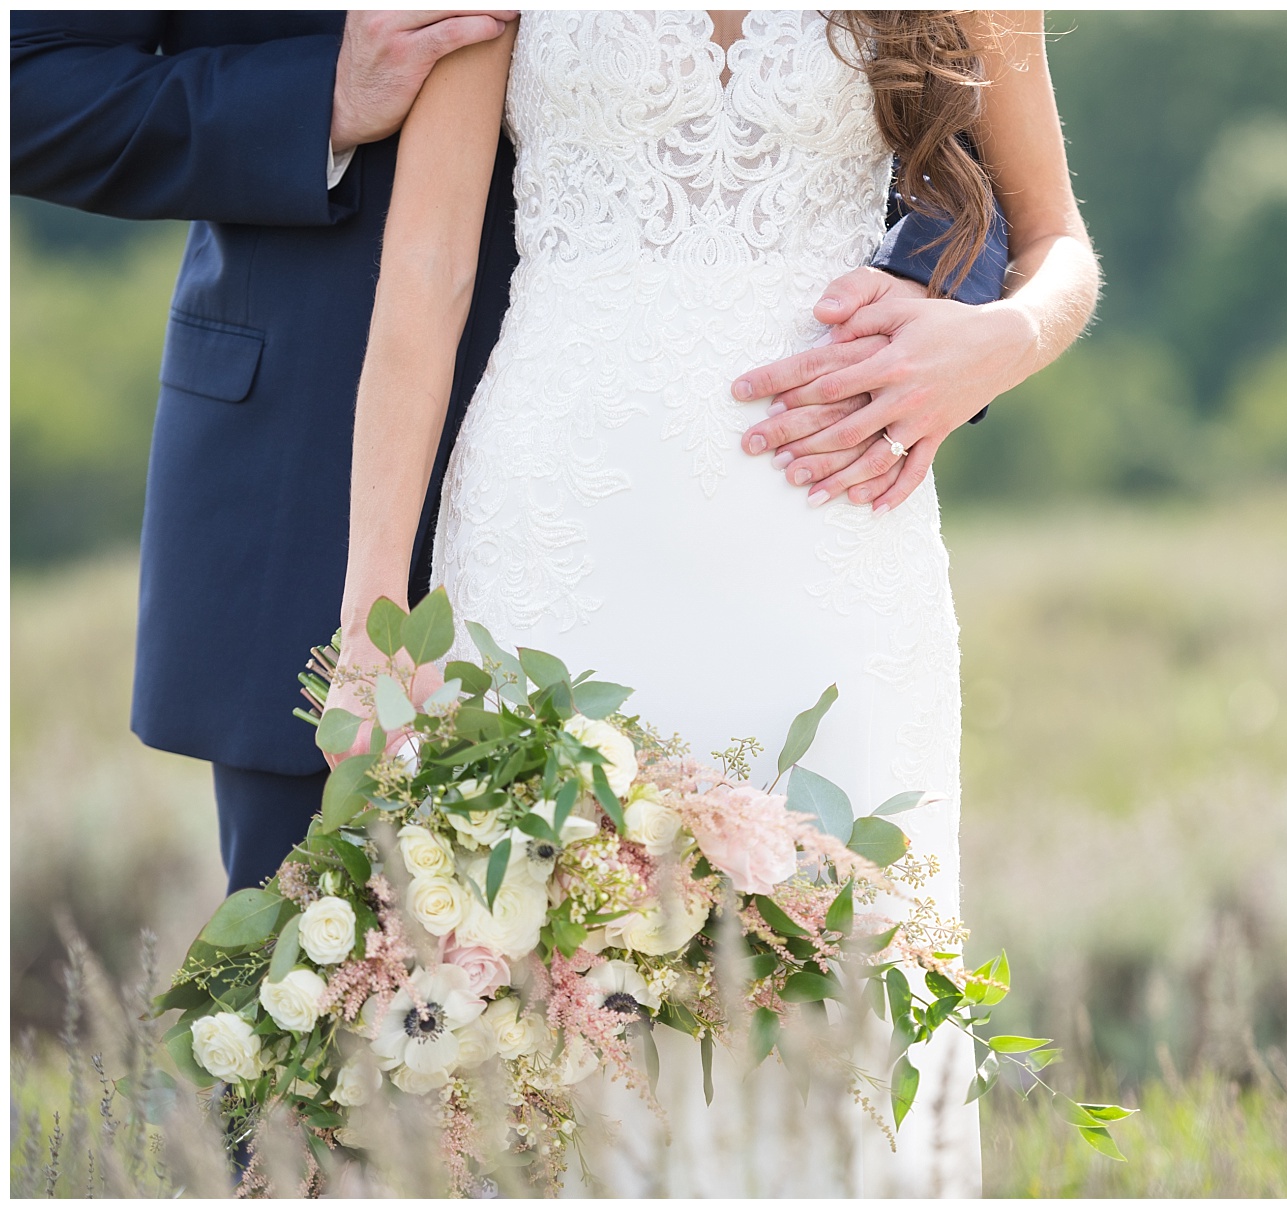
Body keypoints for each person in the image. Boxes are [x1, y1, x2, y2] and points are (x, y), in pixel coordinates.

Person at [325, 10, 1098, 1195]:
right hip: (556, 535)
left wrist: (998, 341)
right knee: (552, 1003)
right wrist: (374, 621)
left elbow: (1056, 242)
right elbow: (429, 268)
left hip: (833, 545)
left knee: (853, 988)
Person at [8, 11, 1008, 894]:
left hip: (763, 474)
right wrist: (319, 97)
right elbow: (29, 77)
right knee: (342, 1031)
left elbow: (976, 126)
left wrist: (952, 315)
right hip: (328, 453)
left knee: (817, 956)